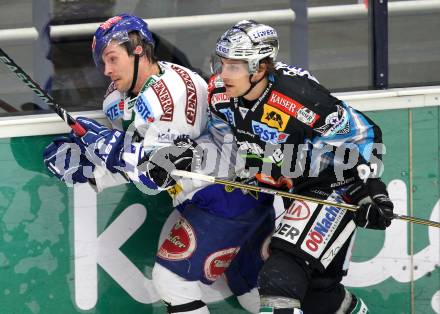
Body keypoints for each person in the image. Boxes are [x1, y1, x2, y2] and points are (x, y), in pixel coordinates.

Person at [43, 14, 274, 313]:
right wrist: (89, 166)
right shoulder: (117, 97)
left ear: (138, 49)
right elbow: (131, 156)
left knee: (172, 283)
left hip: (229, 195)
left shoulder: (176, 92)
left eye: (113, 58)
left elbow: (156, 174)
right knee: (253, 292)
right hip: (210, 198)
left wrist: (101, 162)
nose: (107, 70)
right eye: (103, 62)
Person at [207, 20, 395, 314]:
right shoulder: (220, 96)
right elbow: (223, 145)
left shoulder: (298, 98)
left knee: (279, 280)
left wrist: (369, 187)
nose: (223, 74)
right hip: (294, 192)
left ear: (259, 68)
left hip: (332, 188)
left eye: (234, 66)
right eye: (222, 63)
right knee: (320, 294)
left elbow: (363, 133)